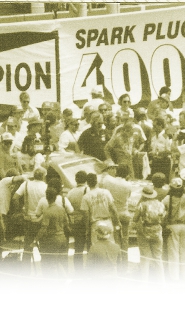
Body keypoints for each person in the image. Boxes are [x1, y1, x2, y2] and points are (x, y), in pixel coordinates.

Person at [12, 167, 47, 274]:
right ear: (43, 176)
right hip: (40, 220)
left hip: (28, 219)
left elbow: (15, 197)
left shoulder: (26, 184)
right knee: (43, 247)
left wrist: (20, 210)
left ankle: (26, 273)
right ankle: (45, 270)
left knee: (27, 247)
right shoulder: (46, 187)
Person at [99, 164, 132, 272]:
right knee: (125, 239)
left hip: (112, 215)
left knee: (114, 240)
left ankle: (116, 263)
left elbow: (104, 175)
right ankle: (125, 265)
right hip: (124, 213)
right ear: (126, 174)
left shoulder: (109, 181)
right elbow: (128, 196)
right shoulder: (128, 185)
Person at [31, 187, 70, 278]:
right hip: (63, 238)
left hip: (53, 240)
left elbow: (44, 227)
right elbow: (66, 223)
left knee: (51, 263)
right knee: (60, 262)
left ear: (46, 197)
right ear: (55, 197)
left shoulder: (48, 211)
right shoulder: (61, 208)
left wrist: (35, 240)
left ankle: (53, 284)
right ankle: (64, 280)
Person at [133, 186, 166, 283]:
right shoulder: (161, 204)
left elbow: (135, 219)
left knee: (145, 257)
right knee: (158, 257)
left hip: (145, 232)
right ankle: (161, 281)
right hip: (157, 231)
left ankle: (145, 282)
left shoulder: (142, 205)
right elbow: (163, 217)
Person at [80, 173, 120, 249]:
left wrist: (87, 229)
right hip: (108, 222)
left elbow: (86, 215)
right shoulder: (106, 192)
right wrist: (117, 222)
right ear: (96, 181)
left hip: (95, 224)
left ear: (87, 183)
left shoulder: (86, 197)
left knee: (98, 248)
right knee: (111, 247)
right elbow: (113, 209)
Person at [162, 177, 185, 282]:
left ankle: (174, 277)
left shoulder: (167, 199)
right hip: (183, 226)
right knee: (183, 252)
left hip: (172, 226)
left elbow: (161, 213)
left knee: (173, 252)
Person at [67, 171, 89, 272]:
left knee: (78, 248)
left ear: (76, 180)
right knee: (90, 247)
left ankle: (78, 271)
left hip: (76, 223)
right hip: (86, 222)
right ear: (86, 180)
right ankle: (90, 270)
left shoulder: (71, 192)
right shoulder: (88, 190)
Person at [149, 117, 171, 183]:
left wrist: (157, 153)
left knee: (162, 182)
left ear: (160, 126)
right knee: (154, 181)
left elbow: (169, 151)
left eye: (155, 126)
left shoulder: (166, 136)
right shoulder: (153, 137)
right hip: (155, 162)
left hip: (163, 163)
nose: (153, 128)